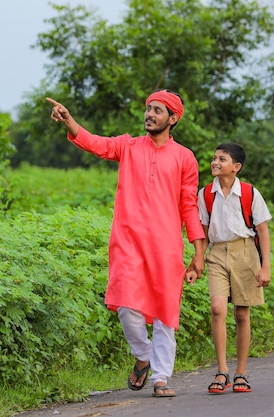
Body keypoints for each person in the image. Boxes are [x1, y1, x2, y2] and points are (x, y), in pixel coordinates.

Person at [47, 90, 205, 398]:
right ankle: (143, 354)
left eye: (157, 110)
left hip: (166, 246)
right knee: (125, 304)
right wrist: (69, 122)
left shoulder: (185, 157)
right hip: (128, 240)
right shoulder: (129, 146)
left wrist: (198, 252)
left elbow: (189, 206)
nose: (149, 114)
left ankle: (161, 377)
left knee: (165, 313)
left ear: (172, 119)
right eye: (148, 109)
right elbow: (97, 144)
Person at [196, 142, 272, 394]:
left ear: (236, 167)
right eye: (214, 158)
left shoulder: (250, 193)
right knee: (217, 308)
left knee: (242, 314)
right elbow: (204, 233)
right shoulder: (205, 193)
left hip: (246, 252)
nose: (215, 162)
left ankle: (241, 372)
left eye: (222, 159)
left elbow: (262, 230)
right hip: (216, 252)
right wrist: (197, 259)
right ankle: (221, 370)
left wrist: (265, 267)